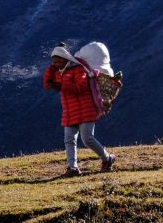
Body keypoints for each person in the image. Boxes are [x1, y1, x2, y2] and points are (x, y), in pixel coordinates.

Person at [42, 42, 115, 176]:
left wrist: (62, 87)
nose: (56, 64)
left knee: (87, 139)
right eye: (54, 62)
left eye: (58, 61)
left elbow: (81, 87)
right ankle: (72, 168)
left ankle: (108, 158)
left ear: (65, 59)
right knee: (69, 140)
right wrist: (52, 68)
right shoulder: (59, 72)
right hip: (70, 111)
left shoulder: (78, 70)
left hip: (86, 109)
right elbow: (46, 83)